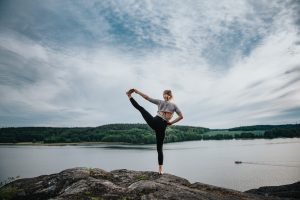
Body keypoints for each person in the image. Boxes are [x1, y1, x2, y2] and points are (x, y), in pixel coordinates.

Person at [126, 88, 184, 175]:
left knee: (141, 109)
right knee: (159, 149)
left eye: (165, 95)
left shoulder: (161, 102)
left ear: (165, 95)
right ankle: (160, 169)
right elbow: (181, 116)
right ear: (171, 96)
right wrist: (171, 123)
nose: (165, 96)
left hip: (154, 122)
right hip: (161, 126)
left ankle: (129, 96)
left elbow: (147, 97)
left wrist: (137, 91)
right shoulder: (172, 105)